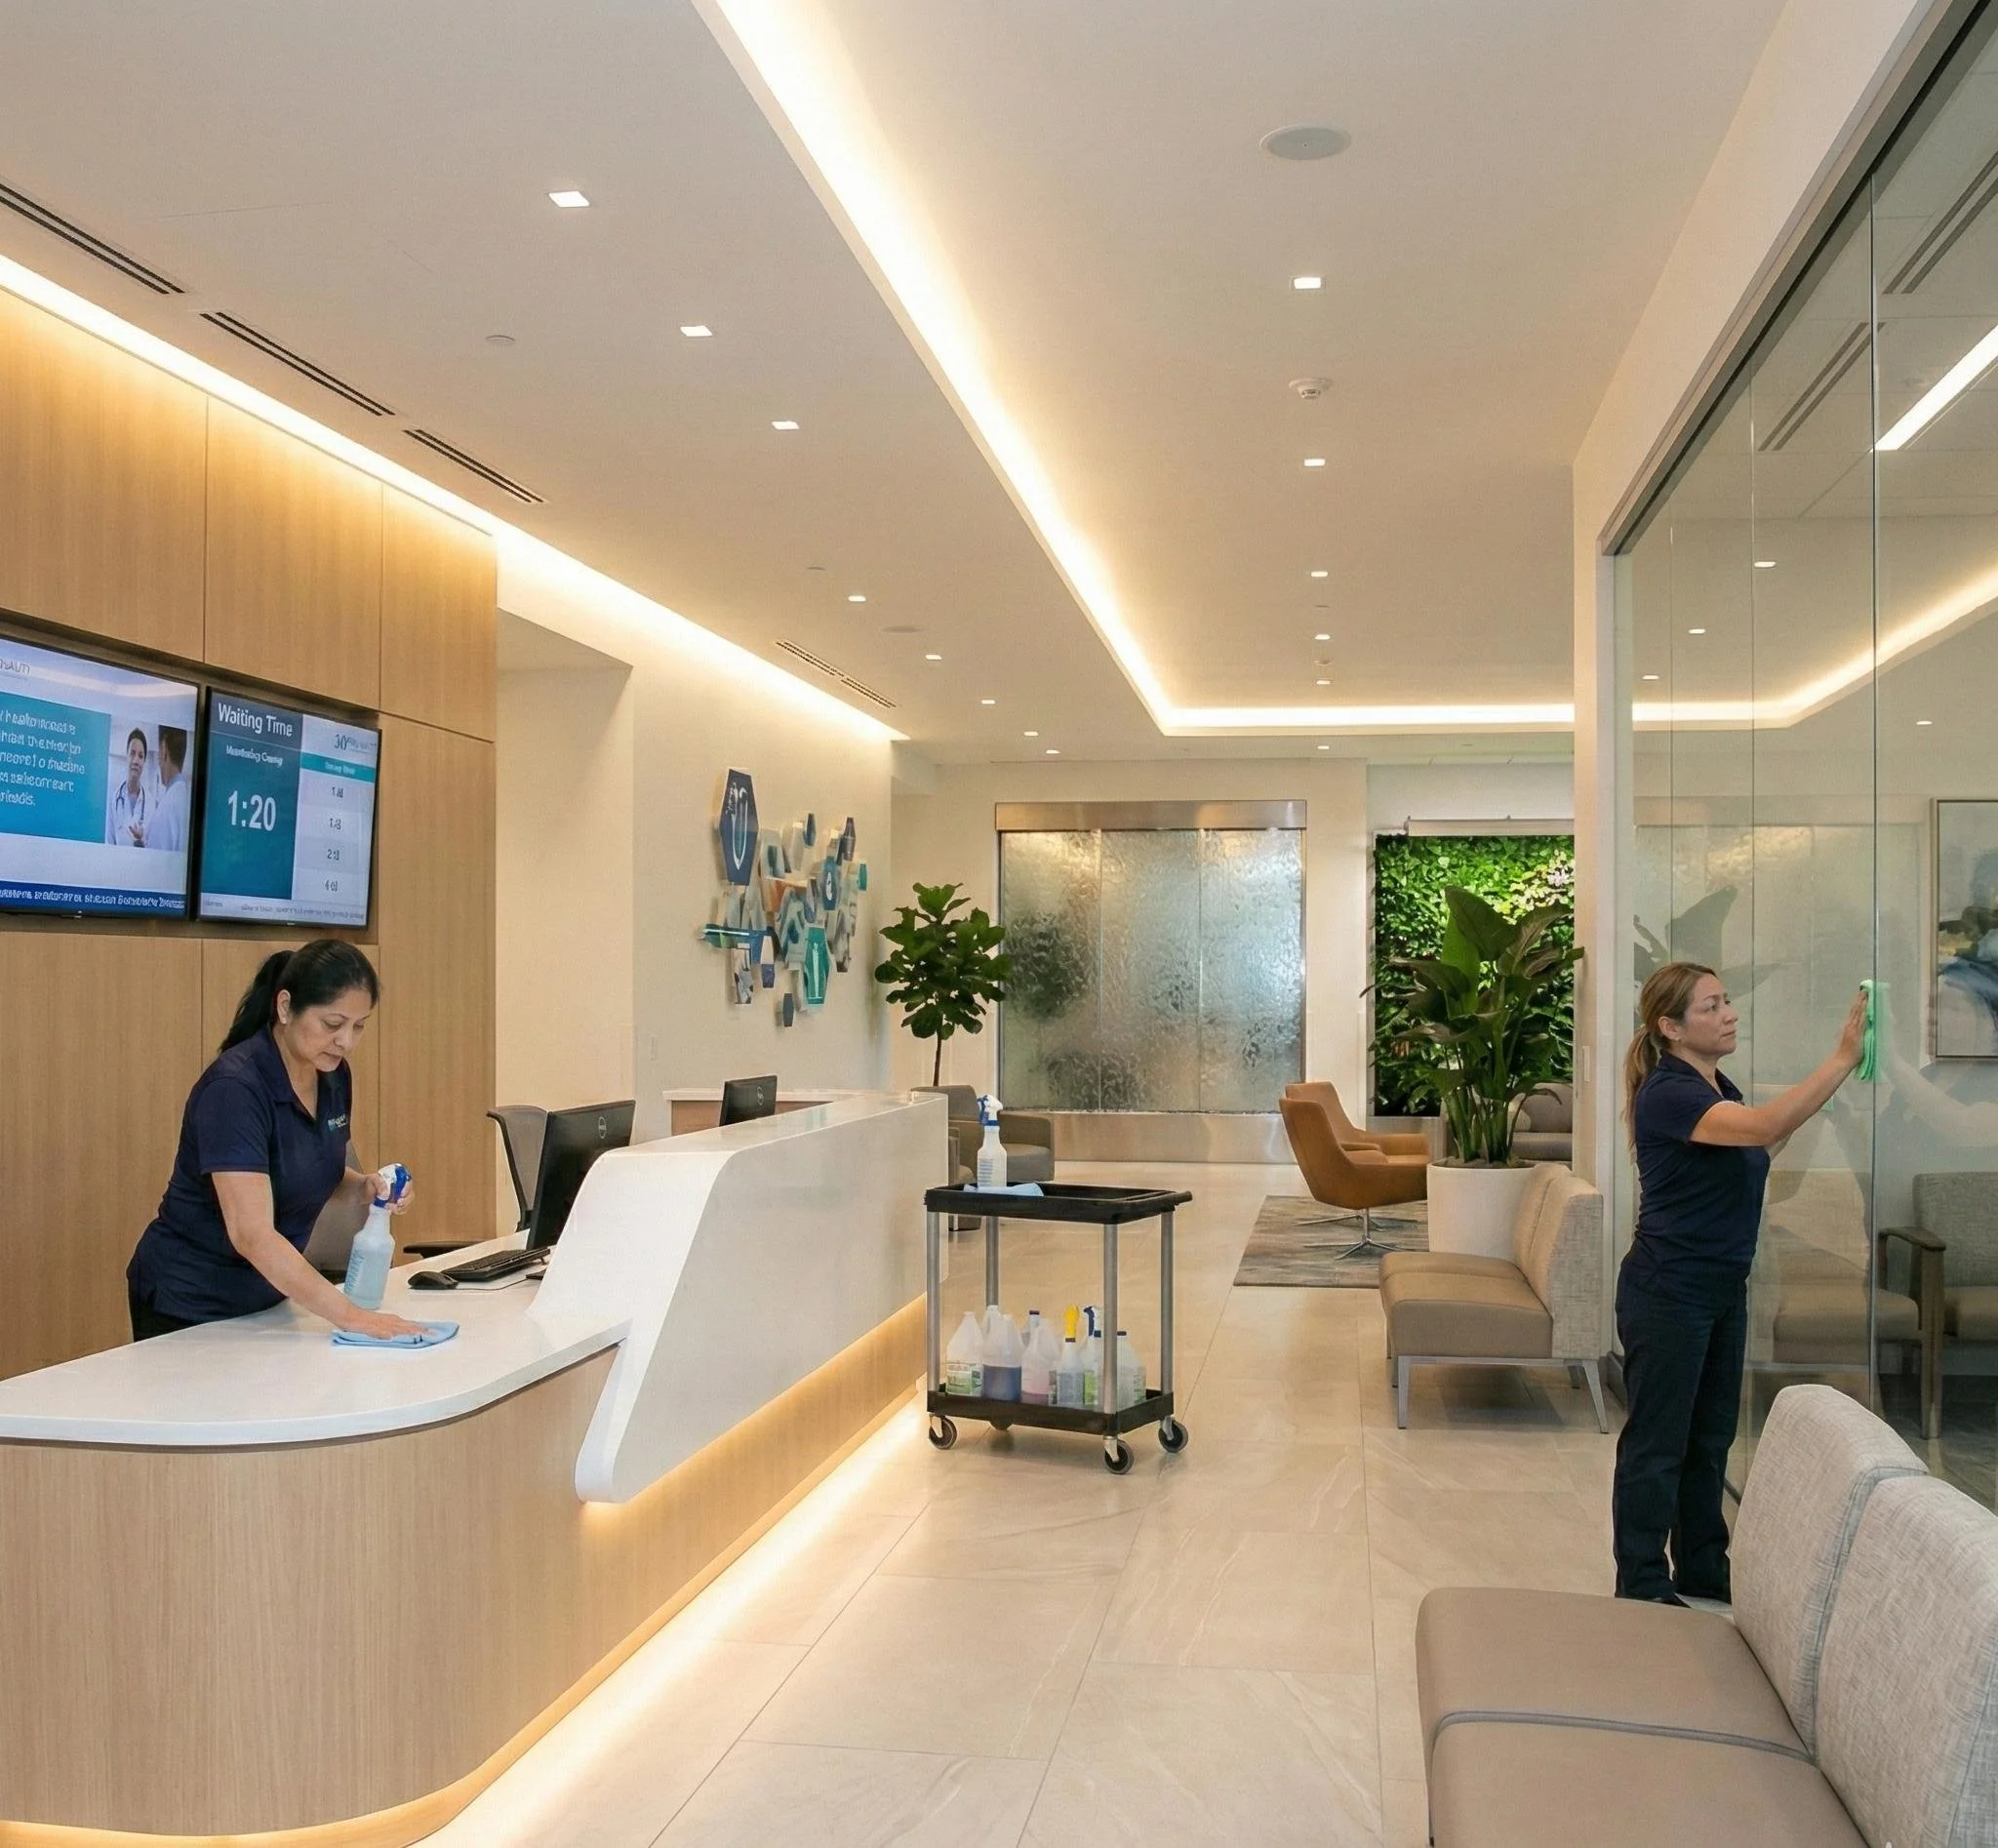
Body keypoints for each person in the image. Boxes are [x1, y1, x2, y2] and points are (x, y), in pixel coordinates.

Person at [1613, 961, 1866, 1604]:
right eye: (1711, 1006)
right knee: (1658, 1444)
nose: (1729, 1014)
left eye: (1726, 1001)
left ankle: (1702, 1564)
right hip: (1669, 1291)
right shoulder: (1670, 1092)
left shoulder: (1716, 1085)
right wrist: (1841, 1058)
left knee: (1709, 1438)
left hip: (1721, 1288)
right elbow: (1761, 1129)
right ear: (1670, 1027)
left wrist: (1806, 1113)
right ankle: (1641, 1580)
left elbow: (1754, 1150)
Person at [126, 941, 424, 1341]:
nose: (347, 1042)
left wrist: (365, 1187)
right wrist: (353, 1318)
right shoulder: (234, 1089)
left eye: (359, 1026)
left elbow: (313, 1171)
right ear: (285, 1008)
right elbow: (252, 1235)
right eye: (333, 1024)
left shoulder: (334, 1076)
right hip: (190, 1303)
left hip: (266, 1301)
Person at [144, 724, 190, 854]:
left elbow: (153, 863)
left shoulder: (167, 808)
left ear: (164, 749)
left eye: (158, 751)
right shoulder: (185, 797)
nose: (158, 760)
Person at [104, 727, 150, 846]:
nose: (135, 760)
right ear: (126, 756)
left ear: (144, 761)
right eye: (132, 753)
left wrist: (140, 841)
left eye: (140, 756)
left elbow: (154, 847)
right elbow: (109, 843)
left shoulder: (151, 803)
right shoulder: (114, 800)